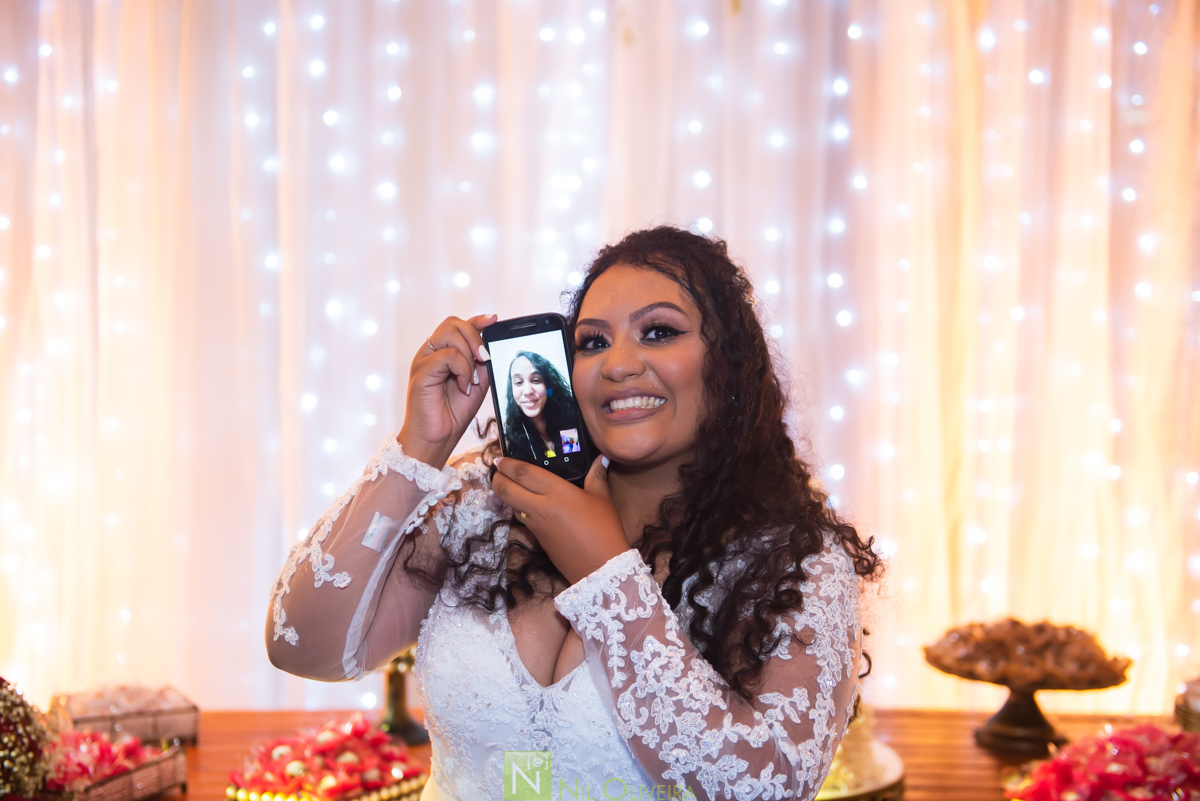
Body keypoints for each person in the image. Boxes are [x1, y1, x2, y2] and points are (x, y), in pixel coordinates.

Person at [266, 226, 882, 800]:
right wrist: (419, 447)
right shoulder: (484, 506)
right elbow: (303, 645)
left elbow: (763, 788)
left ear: (729, 367)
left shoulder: (797, 564)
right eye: (592, 342)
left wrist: (607, 574)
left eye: (659, 331)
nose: (617, 364)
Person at [503, 351, 575, 461]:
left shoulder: (568, 418)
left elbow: (574, 461)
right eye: (518, 382)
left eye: (536, 380)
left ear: (548, 386)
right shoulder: (509, 439)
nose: (527, 391)